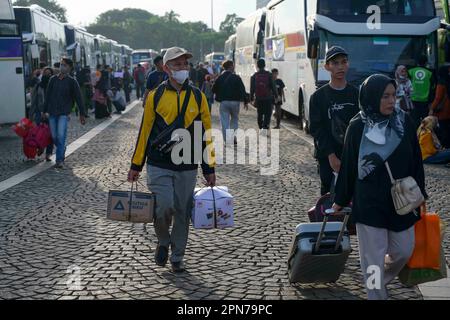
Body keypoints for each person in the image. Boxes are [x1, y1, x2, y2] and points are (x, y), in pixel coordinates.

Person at [333, 74, 426, 300]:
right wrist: (340, 200)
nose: (391, 101)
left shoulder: (404, 121)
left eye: (393, 95)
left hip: (401, 200)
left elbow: (416, 160)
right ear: (372, 96)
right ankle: (376, 294)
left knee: (403, 250)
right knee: (373, 257)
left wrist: (421, 194)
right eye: (385, 96)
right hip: (370, 202)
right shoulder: (357, 126)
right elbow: (349, 168)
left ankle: (376, 281)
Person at [127, 47, 216, 273]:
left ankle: (177, 256)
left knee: (182, 212)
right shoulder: (155, 96)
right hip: (158, 163)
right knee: (163, 206)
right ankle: (163, 240)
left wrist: (209, 167)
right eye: (177, 65)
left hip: (187, 163)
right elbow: (144, 131)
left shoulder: (197, 96)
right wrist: (136, 164)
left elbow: (206, 132)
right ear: (166, 69)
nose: (182, 68)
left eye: (185, 64)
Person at [309, 46, 360, 196]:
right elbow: (317, 130)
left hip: (351, 155)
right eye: (335, 63)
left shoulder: (356, 94)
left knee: (353, 194)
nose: (340, 67)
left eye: (343, 62)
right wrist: (331, 156)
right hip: (327, 156)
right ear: (327, 67)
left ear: (348, 65)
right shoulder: (318, 97)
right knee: (329, 195)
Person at [42, 58, 86, 169]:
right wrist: (44, 110)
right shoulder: (53, 79)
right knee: (54, 136)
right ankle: (62, 148)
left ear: (70, 68)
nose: (62, 67)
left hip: (63, 113)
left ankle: (59, 160)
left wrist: (82, 113)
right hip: (52, 112)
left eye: (64, 65)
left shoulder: (72, 81)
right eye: (61, 65)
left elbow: (79, 98)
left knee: (61, 136)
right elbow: (47, 96)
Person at [212, 60, 249, 144]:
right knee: (234, 120)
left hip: (224, 102)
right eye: (233, 65)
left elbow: (213, 89)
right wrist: (246, 101)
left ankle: (227, 140)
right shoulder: (236, 77)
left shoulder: (220, 77)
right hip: (235, 102)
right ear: (231, 66)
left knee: (224, 121)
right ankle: (233, 137)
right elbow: (242, 90)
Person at [250, 58, 278, 135]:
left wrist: (251, 97)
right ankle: (265, 127)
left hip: (259, 98)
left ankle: (260, 126)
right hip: (268, 98)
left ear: (257, 66)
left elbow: (252, 88)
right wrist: (276, 96)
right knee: (267, 114)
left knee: (260, 113)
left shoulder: (254, 76)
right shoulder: (269, 75)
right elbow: (273, 86)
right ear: (264, 65)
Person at [409, 55, 435, 128]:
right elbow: (433, 87)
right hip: (425, 101)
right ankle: (423, 136)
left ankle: (414, 137)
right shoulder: (429, 73)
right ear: (426, 62)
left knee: (414, 121)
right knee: (425, 122)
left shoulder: (411, 71)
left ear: (417, 62)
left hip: (413, 100)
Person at [429, 65, 450, 149]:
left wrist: (432, 108)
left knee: (443, 129)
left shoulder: (441, 83)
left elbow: (438, 98)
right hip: (448, 110)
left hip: (443, 111)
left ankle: (445, 147)